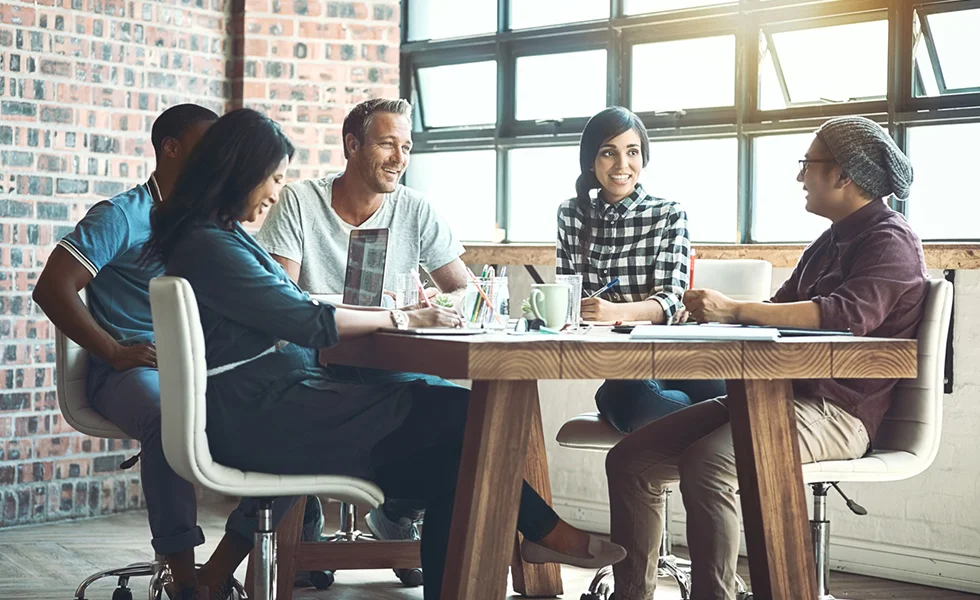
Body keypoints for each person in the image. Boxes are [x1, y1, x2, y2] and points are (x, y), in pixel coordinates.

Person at [142, 108, 627, 600]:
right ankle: (547, 533)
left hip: (274, 406)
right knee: (465, 412)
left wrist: (394, 312)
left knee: (454, 469)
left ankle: (534, 540)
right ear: (241, 172)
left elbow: (300, 308)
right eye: (273, 178)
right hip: (268, 414)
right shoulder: (211, 245)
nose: (274, 191)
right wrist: (402, 318)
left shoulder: (212, 238)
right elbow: (305, 319)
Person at [604, 116, 928, 600]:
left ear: (844, 175)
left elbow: (845, 316)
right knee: (631, 460)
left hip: (838, 413)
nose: (799, 176)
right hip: (773, 397)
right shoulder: (830, 241)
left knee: (709, 465)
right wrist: (710, 318)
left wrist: (735, 308)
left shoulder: (890, 239)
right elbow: (777, 310)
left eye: (808, 163)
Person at [256, 97, 470, 584]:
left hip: (390, 363)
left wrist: (435, 305)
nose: (399, 158)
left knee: (465, 411)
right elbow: (281, 300)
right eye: (387, 144)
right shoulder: (299, 201)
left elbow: (464, 289)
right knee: (443, 410)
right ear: (353, 145)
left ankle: (399, 511)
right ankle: (304, 525)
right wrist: (384, 313)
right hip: (313, 363)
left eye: (407, 147)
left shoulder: (414, 208)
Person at [32, 105, 221, 595]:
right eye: (207, 146)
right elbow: (52, 287)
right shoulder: (122, 215)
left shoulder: (211, 220)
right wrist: (114, 351)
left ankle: (268, 560)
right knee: (167, 414)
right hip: (129, 371)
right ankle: (183, 576)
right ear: (171, 148)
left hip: (201, 365)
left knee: (286, 399)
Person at [556, 106, 725, 434]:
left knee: (723, 395)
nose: (622, 165)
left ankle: (708, 426)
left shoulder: (668, 213)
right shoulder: (571, 214)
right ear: (590, 161)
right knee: (637, 401)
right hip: (626, 372)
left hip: (680, 359)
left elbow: (671, 301)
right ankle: (712, 427)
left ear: (643, 158)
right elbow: (567, 298)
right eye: (609, 153)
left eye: (632, 152)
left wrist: (612, 312)